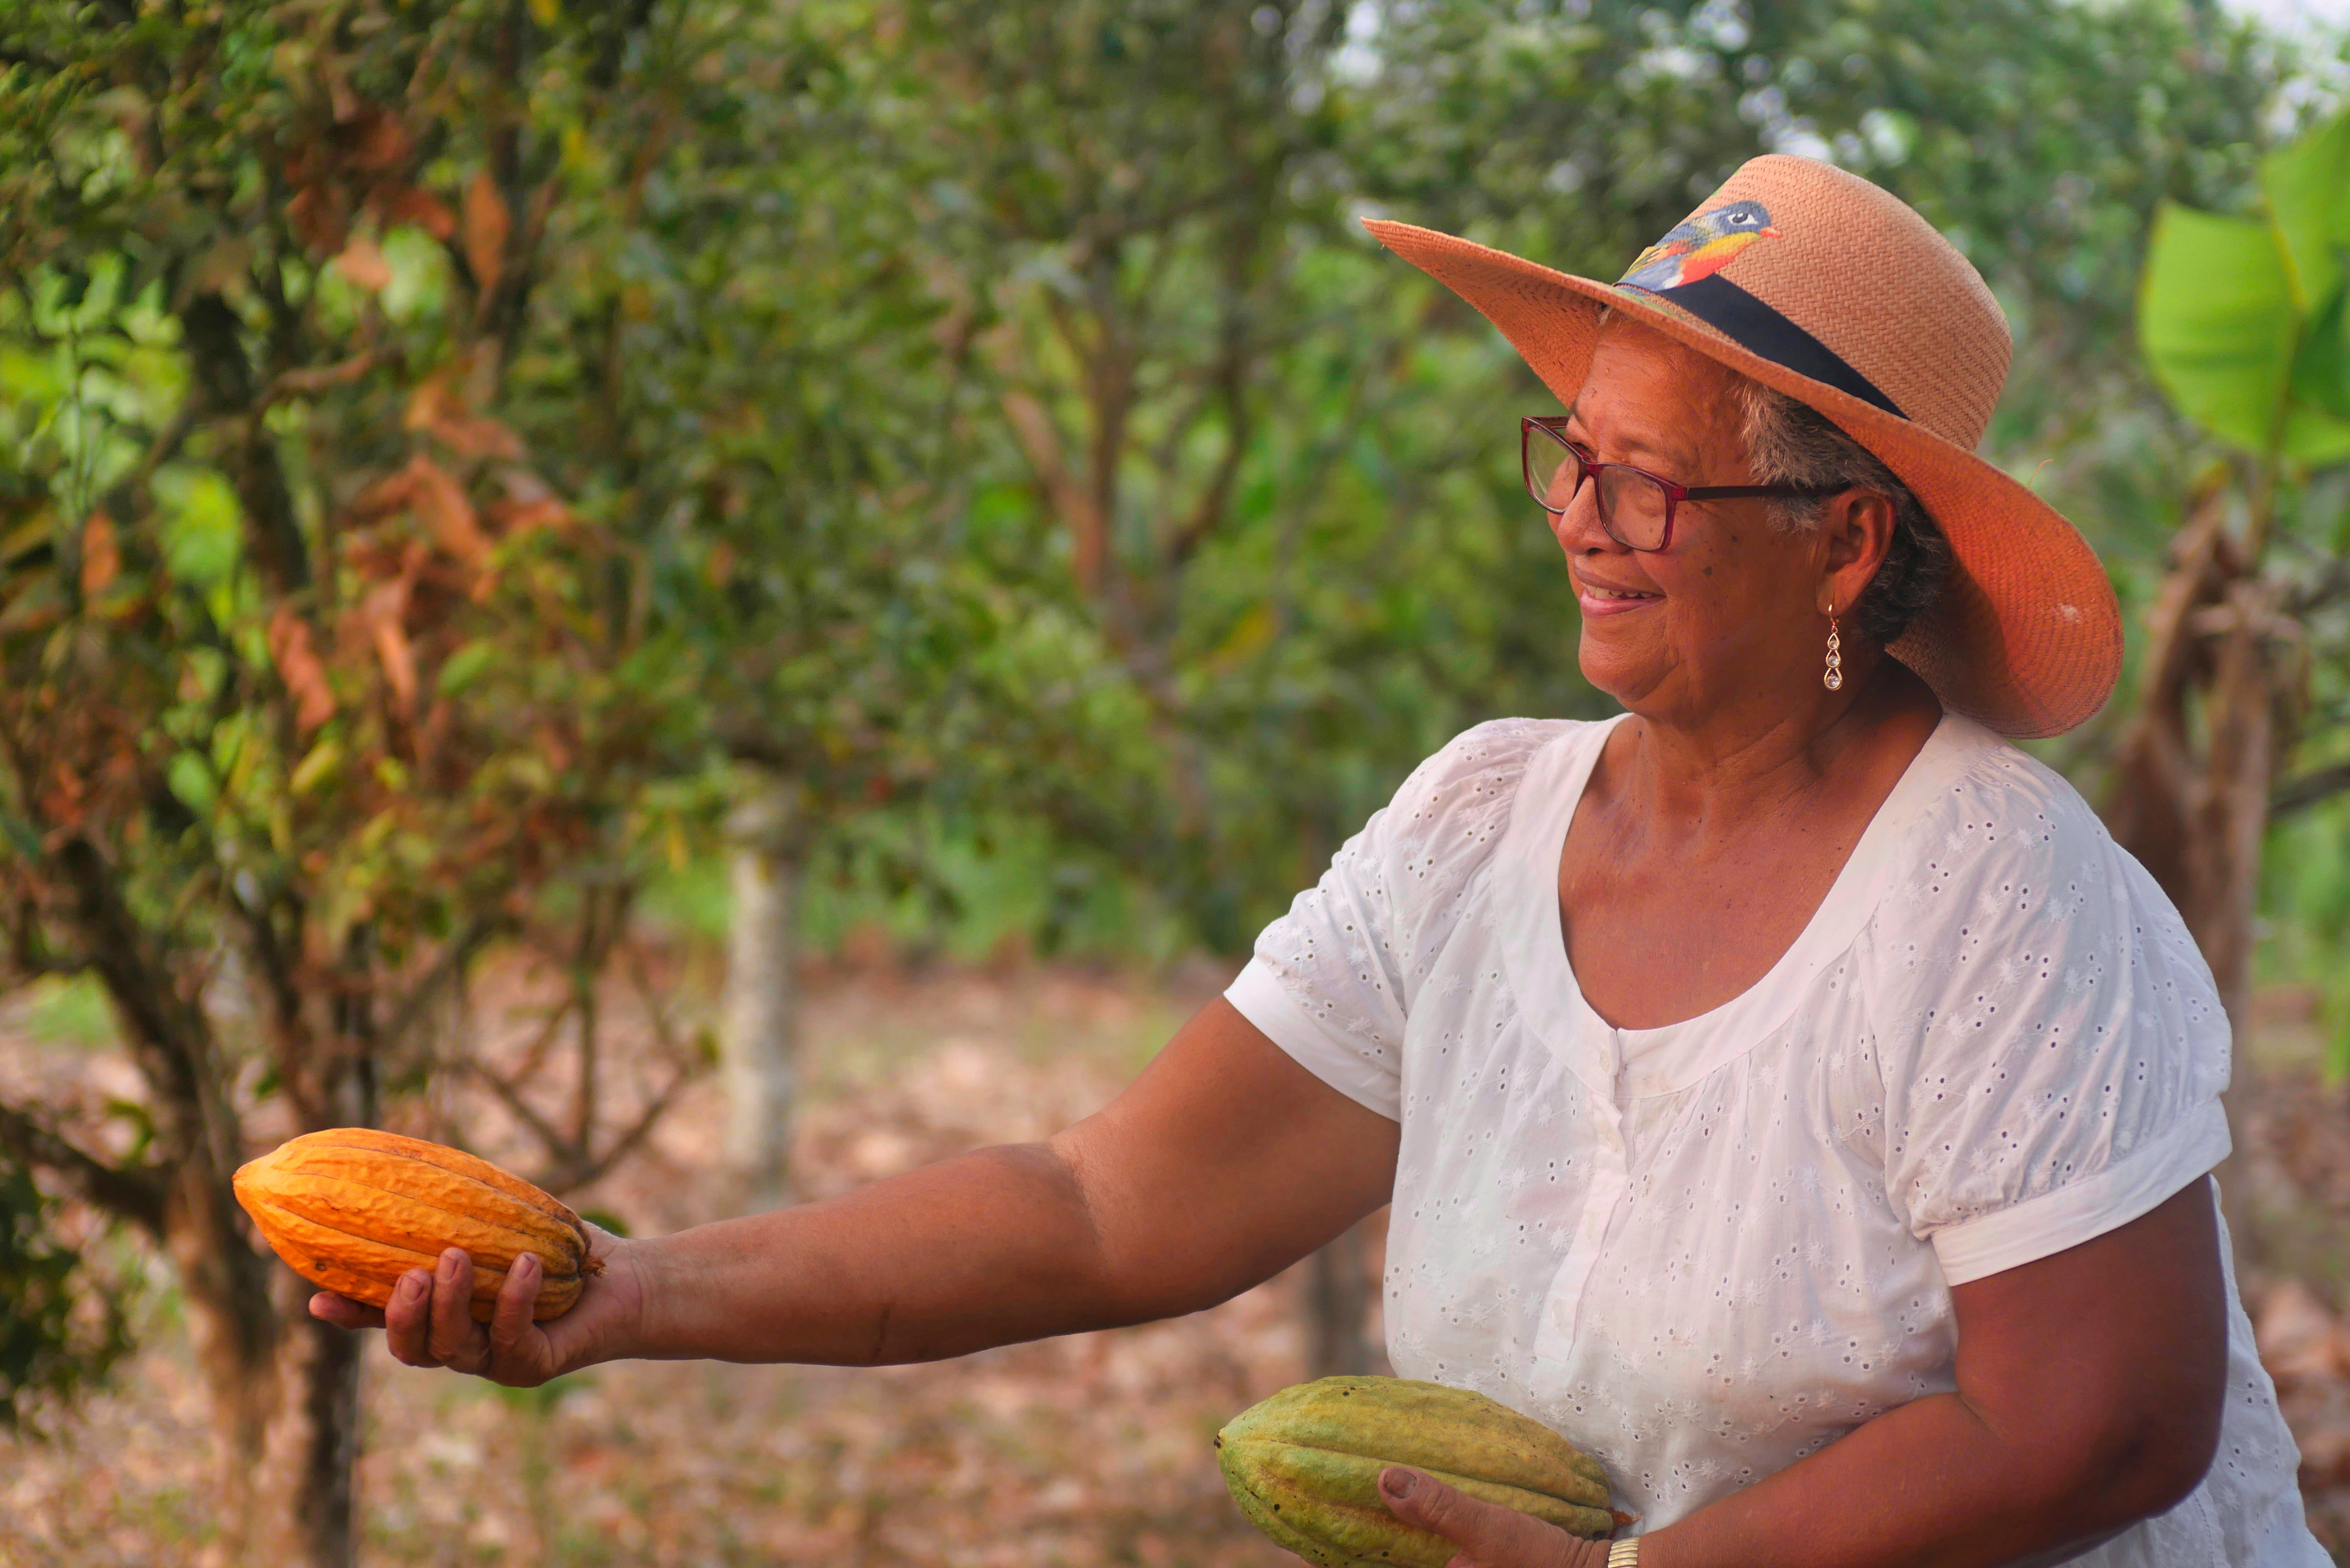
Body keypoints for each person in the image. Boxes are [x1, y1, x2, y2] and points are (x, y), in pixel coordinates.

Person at [316, 156, 2326, 1566]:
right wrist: (628, 1291)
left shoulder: (1998, 898)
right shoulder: (1479, 826)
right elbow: (1102, 1206)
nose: (1581, 517)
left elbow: (2099, 1423)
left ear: (1846, 540)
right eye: (1569, 454)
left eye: (1650, 480)